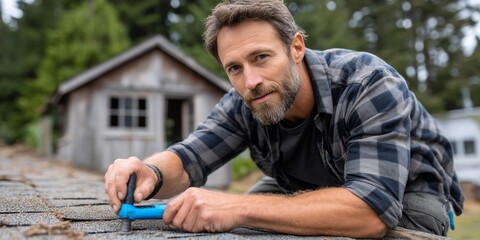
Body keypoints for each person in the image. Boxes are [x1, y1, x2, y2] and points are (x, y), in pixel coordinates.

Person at [104, 0, 464, 238]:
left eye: (261, 57)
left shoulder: (367, 82)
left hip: (408, 196)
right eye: (234, 68)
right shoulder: (246, 98)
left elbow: (372, 209)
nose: (250, 81)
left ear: (296, 48)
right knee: (232, 228)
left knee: (242, 212)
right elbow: (188, 158)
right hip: (309, 189)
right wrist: (148, 172)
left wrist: (238, 206)